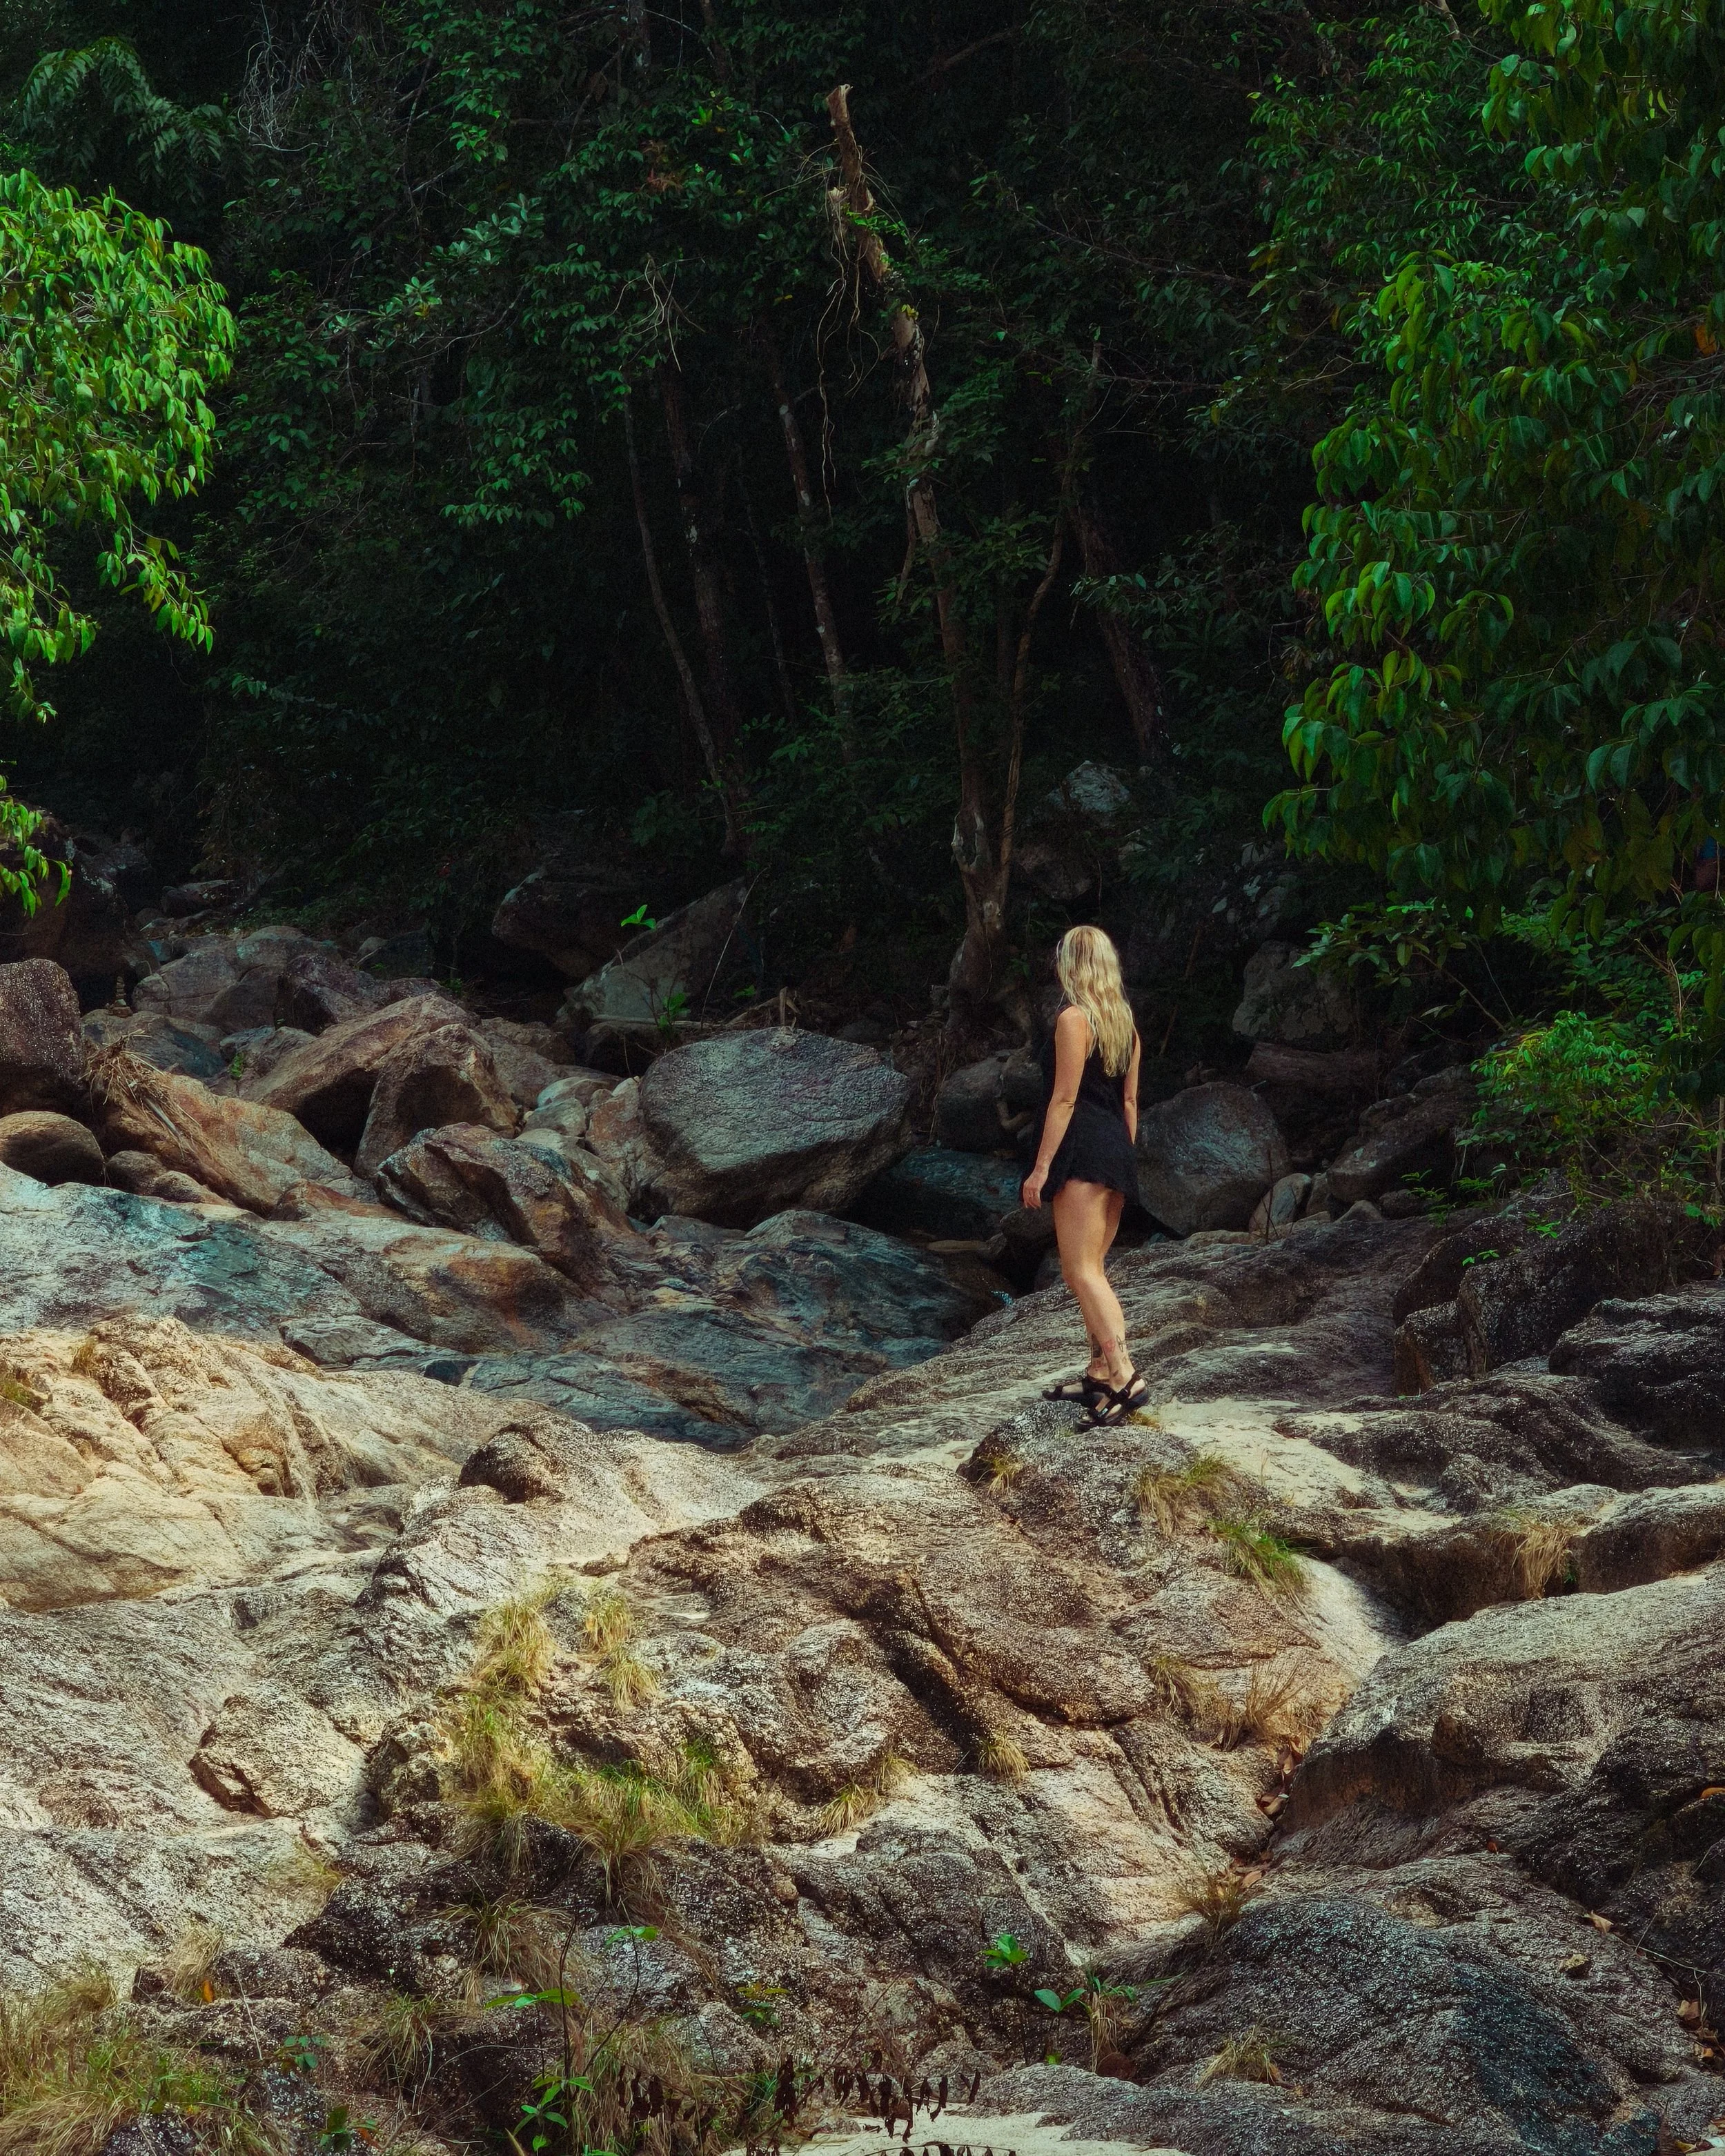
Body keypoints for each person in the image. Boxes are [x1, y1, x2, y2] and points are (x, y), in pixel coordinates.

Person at [1021, 924, 1145, 1425]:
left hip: (1083, 1153)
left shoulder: (1075, 1019)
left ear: (1069, 965)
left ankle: (1124, 1372)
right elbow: (1130, 1101)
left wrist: (1042, 1167)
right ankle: (1098, 1370)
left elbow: (1065, 1098)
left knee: (1081, 1271)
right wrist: (1124, 1159)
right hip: (1115, 1149)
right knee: (1092, 1267)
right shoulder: (1125, 1026)